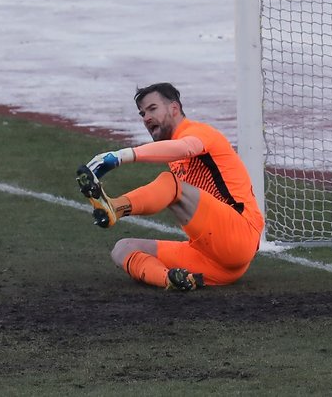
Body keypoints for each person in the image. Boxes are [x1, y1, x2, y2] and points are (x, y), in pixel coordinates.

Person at [75, 82, 263, 291]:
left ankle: (116, 207)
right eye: (142, 113)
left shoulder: (199, 132)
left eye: (152, 109)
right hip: (215, 261)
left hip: (239, 235)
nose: (146, 118)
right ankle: (170, 280)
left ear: (174, 108)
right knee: (122, 248)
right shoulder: (172, 152)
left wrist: (121, 156)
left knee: (171, 183)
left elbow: (185, 148)